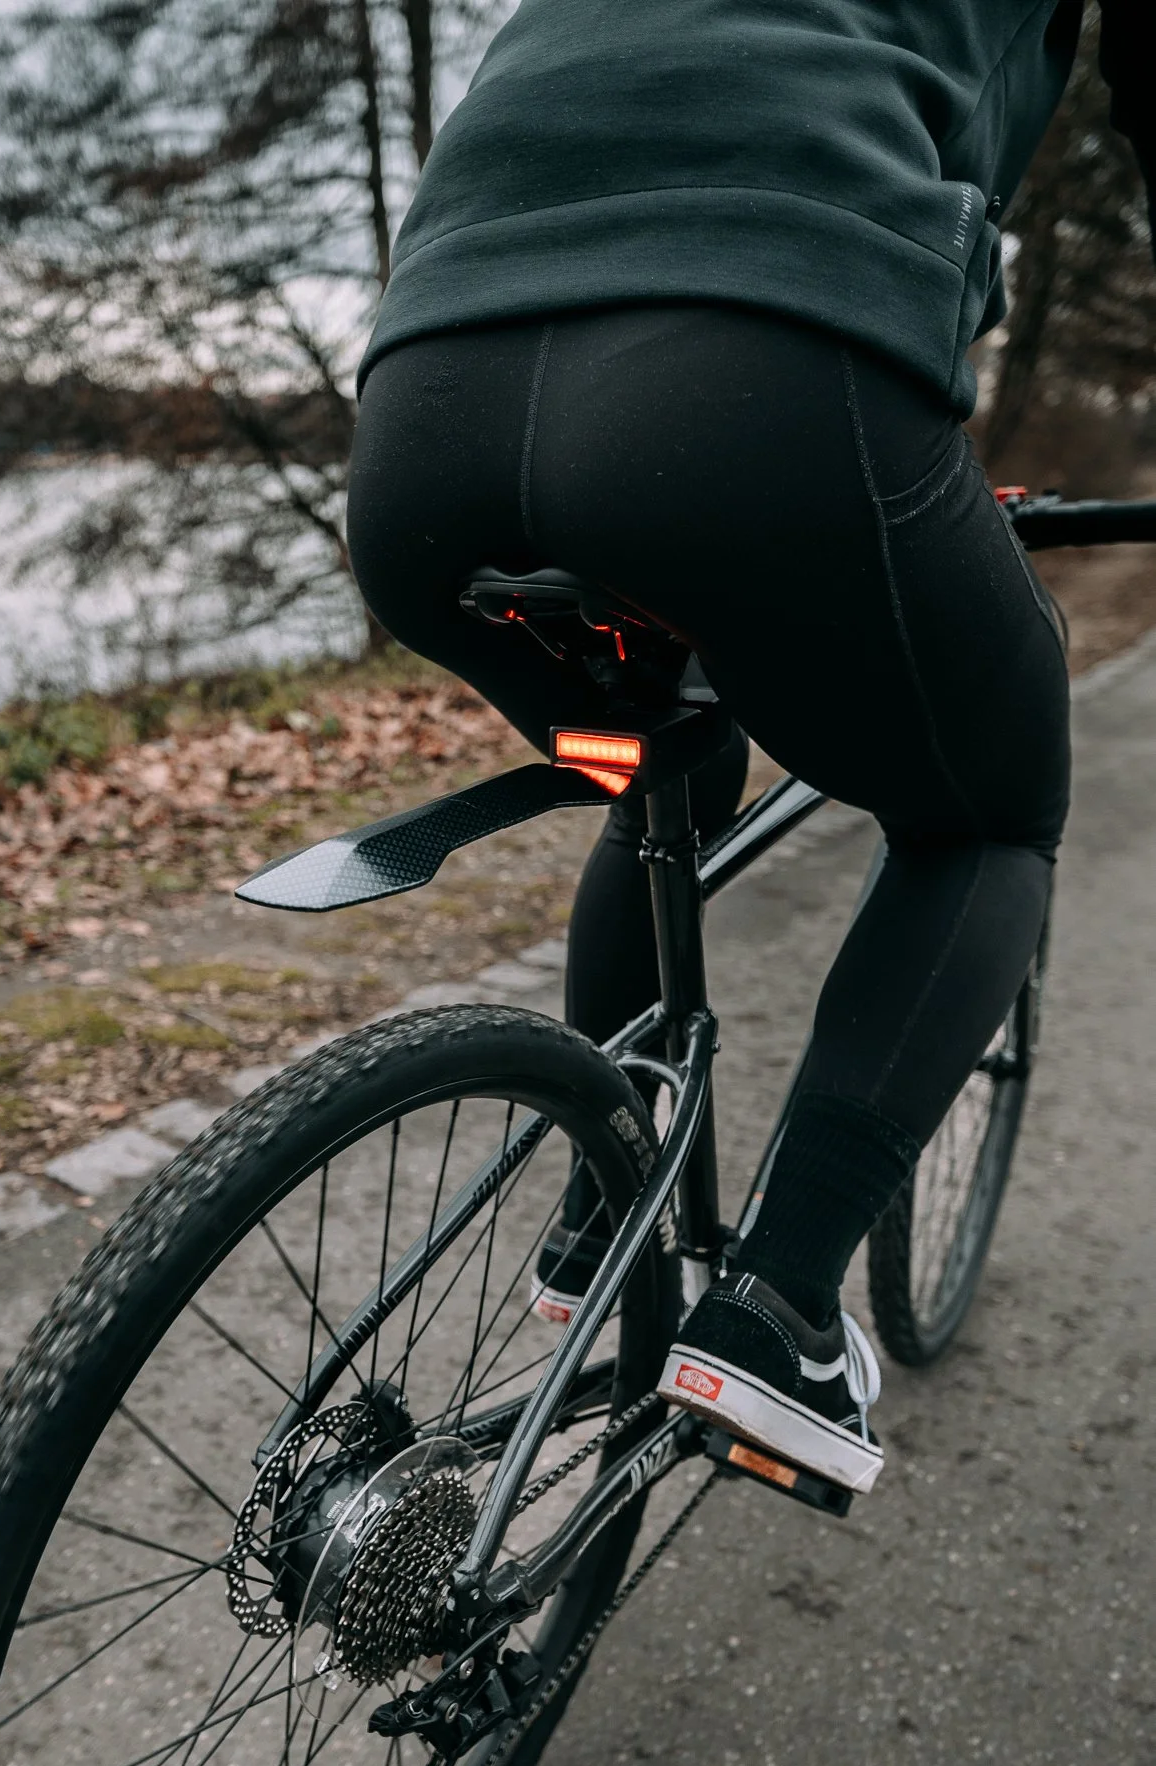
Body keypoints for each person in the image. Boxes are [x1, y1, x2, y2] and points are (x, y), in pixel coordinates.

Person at [346, 1, 1155, 1492]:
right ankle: (773, 1312)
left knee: (648, 750)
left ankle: (603, 1202)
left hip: (420, 439)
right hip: (763, 394)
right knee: (981, 816)